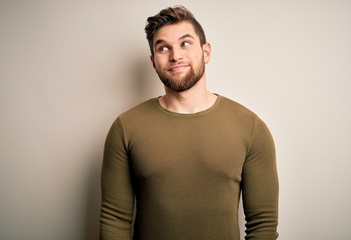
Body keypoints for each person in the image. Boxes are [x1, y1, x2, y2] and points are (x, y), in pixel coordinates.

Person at [100, 5, 279, 240]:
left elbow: (262, 225)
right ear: (153, 61)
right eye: (163, 48)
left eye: (185, 43)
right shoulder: (126, 128)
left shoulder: (251, 127)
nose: (176, 55)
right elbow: (115, 219)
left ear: (206, 52)